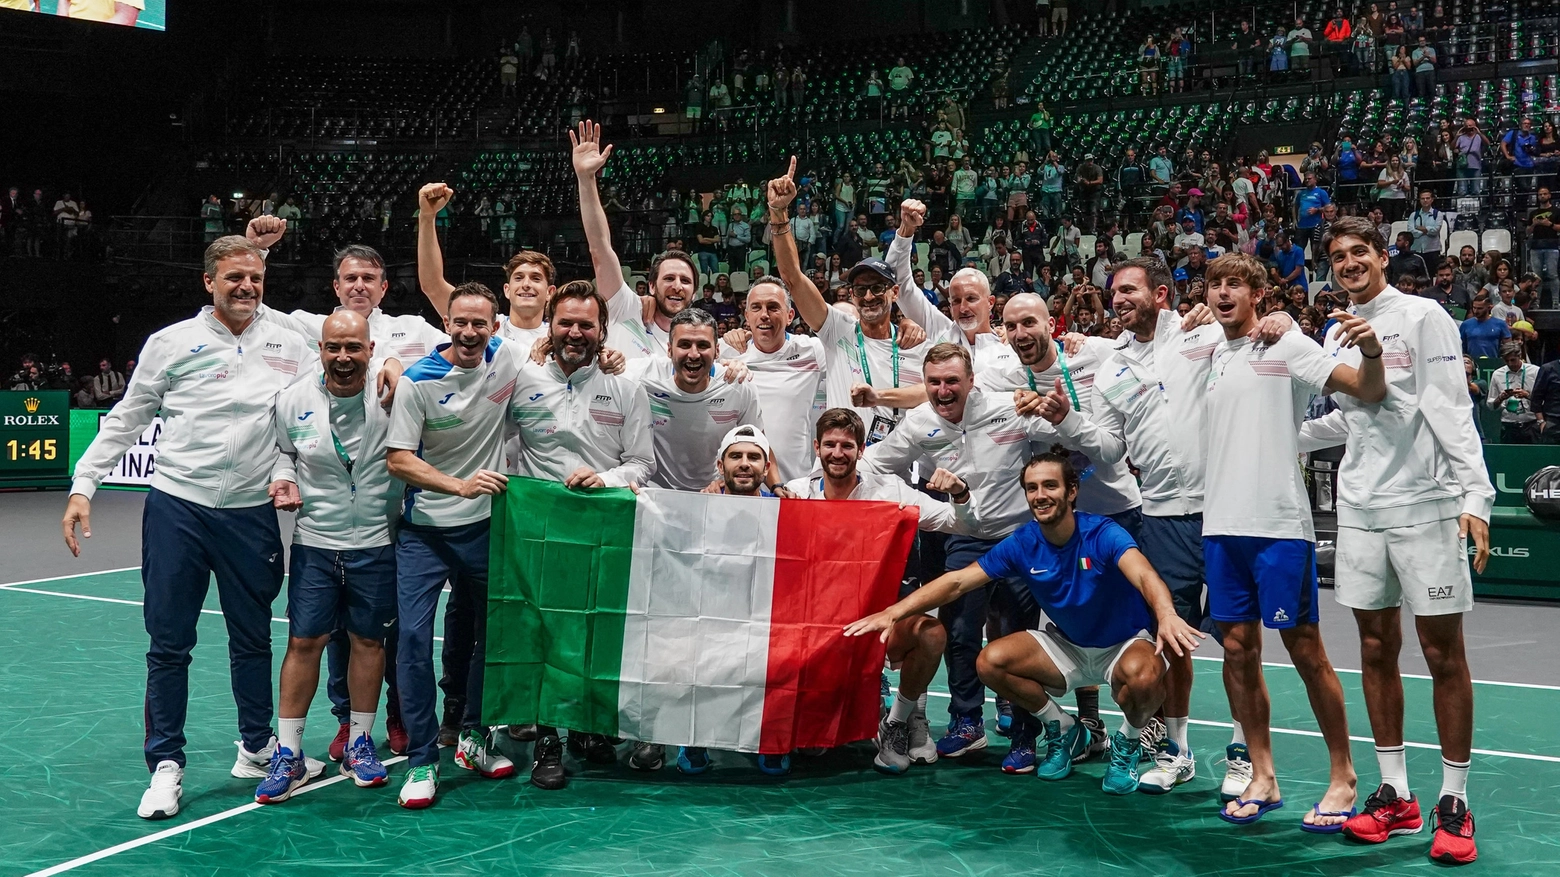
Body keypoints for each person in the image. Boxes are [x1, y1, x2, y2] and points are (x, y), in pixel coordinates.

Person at [63, 235, 317, 820]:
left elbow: (307, 411)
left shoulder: (289, 342)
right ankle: (166, 766)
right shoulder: (171, 342)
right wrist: (84, 485)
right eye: (233, 277)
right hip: (179, 507)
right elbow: (127, 418)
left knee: (253, 639)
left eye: (254, 277)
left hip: (251, 513)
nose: (245, 287)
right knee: (169, 644)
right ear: (209, 282)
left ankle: (257, 748)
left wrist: (285, 469)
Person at [1040, 257, 1293, 796]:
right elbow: (1110, 448)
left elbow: (1256, 337)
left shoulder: (1201, 334)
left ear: (1161, 294)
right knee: (1170, 642)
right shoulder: (1109, 370)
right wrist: (1067, 418)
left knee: (1238, 643)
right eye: (1114, 292)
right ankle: (1177, 750)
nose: (1118, 298)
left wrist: (1284, 323)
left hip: (1225, 509)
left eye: (1129, 289)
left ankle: (1244, 751)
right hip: (1160, 518)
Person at [1296, 217, 1491, 864]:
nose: (1349, 263)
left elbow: (1451, 407)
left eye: (1360, 252)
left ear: (1383, 256)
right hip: (1361, 506)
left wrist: (1476, 495)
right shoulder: (1333, 331)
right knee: (1376, 647)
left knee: (1443, 653)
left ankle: (1454, 800)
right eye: (1338, 257)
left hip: (1427, 503)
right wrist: (1269, 441)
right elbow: (1347, 422)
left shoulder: (1424, 314)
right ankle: (1396, 792)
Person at [845, 449, 1206, 794]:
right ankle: (1064, 728)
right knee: (990, 661)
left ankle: (1125, 742)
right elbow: (957, 581)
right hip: (1069, 647)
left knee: (1144, 678)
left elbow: (1144, 575)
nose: (1040, 495)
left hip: (1123, 646)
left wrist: (1166, 614)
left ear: (1072, 491)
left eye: (1050, 486)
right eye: (1032, 488)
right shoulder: (1024, 542)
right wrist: (895, 611)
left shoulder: (1102, 533)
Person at [1199, 251, 1388, 828]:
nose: (1224, 292)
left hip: (1279, 525)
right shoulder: (1210, 350)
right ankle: (1263, 774)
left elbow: (1366, 389)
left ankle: (1343, 775)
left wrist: (1374, 351)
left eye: (1236, 284)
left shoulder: (1287, 344)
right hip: (1220, 526)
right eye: (1215, 284)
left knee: (1306, 651)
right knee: (1236, 650)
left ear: (1259, 295)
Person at [504, 280, 655, 787]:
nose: (575, 332)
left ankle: (588, 726)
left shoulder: (627, 388)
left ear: (602, 331)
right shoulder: (519, 380)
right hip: (539, 533)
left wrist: (606, 478)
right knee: (546, 637)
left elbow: (641, 464)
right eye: (565, 322)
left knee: (595, 633)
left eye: (585, 324)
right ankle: (549, 741)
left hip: (603, 532)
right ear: (549, 326)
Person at [385, 282, 523, 809]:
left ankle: (473, 737)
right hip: (425, 531)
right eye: (460, 322)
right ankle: (422, 760)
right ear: (446, 321)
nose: (469, 332)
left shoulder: (506, 360)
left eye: (480, 323)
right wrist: (458, 484)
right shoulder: (419, 381)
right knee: (415, 642)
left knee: (491, 639)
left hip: (485, 528)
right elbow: (399, 459)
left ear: (495, 325)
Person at [784, 407, 976, 772]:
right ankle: (843, 707)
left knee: (931, 633)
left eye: (847, 445)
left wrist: (960, 493)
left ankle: (899, 720)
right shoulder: (795, 495)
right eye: (830, 445)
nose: (837, 453)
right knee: (808, 747)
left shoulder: (891, 492)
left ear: (861, 451)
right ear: (816, 448)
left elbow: (956, 522)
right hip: (816, 629)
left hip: (877, 622)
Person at [260, 311, 401, 803]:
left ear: (370, 347)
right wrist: (285, 477)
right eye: (333, 348)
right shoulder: (293, 399)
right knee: (304, 642)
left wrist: (397, 364)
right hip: (315, 544)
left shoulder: (394, 395)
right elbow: (282, 453)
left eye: (354, 348)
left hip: (377, 543)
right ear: (320, 349)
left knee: (367, 643)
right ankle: (290, 753)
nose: (343, 358)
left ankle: (361, 741)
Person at [767, 157, 928, 436]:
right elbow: (792, 277)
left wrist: (879, 396)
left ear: (894, 292)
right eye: (860, 289)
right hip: (844, 459)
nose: (868, 297)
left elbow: (936, 392)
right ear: (851, 295)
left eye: (877, 288)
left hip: (899, 466)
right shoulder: (839, 330)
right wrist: (779, 213)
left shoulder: (914, 341)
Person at [571, 121, 688, 359]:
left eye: (685, 280)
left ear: (694, 292)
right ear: (652, 286)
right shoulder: (627, 308)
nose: (677, 285)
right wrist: (586, 180)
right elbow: (600, 249)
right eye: (669, 278)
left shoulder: (699, 337)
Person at [715, 276, 828, 483]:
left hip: (795, 483)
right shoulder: (725, 352)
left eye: (773, 307)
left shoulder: (811, 351)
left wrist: (905, 324)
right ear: (746, 316)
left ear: (789, 315)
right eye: (756, 308)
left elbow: (853, 344)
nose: (764, 315)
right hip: (740, 485)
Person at [886, 199, 1015, 372]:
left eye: (971, 298)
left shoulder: (1009, 345)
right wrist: (906, 229)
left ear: (990, 302)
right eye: (955, 301)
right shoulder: (940, 331)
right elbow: (899, 282)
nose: (963, 308)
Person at [1485, 342, 1539, 444]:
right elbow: (1491, 405)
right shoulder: (1497, 374)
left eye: (1513, 360)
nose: (1510, 364)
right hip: (1508, 425)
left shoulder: (1535, 371)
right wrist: (1500, 398)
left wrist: (1527, 395)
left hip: (1531, 424)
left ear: (1520, 356)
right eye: (1506, 361)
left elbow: (1544, 400)